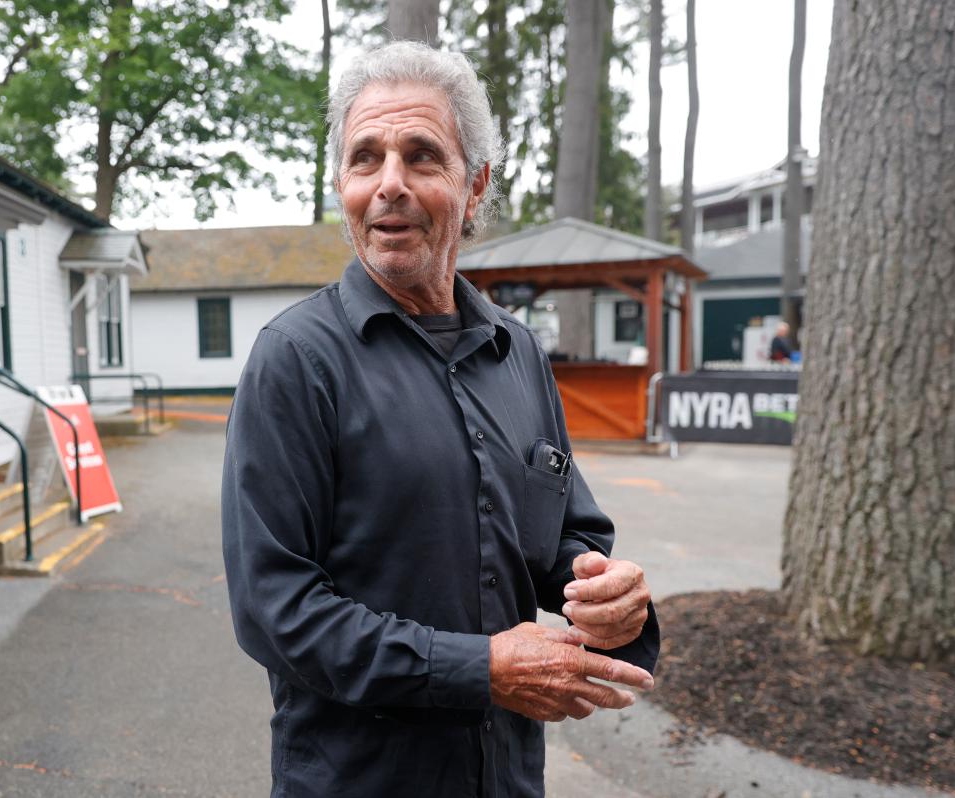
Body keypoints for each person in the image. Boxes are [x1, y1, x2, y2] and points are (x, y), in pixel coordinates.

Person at [221, 41, 660, 798]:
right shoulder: (296, 360)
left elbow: (568, 534)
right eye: (366, 159)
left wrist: (607, 595)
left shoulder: (516, 350)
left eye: (422, 155)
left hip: (509, 779)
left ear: (475, 183)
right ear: (342, 185)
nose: (389, 184)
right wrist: (481, 668)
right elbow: (275, 610)